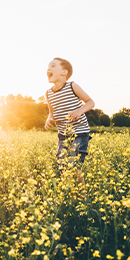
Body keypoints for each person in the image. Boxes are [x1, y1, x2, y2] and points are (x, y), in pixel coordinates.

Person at [44, 57, 95, 185]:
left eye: (53, 66)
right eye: (48, 66)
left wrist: (79, 111)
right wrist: (49, 119)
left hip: (80, 132)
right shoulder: (48, 93)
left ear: (64, 72)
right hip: (63, 135)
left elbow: (90, 102)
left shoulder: (72, 86)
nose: (49, 68)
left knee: (74, 164)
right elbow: (52, 111)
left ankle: (82, 197)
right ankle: (69, 194)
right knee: (62, 165)